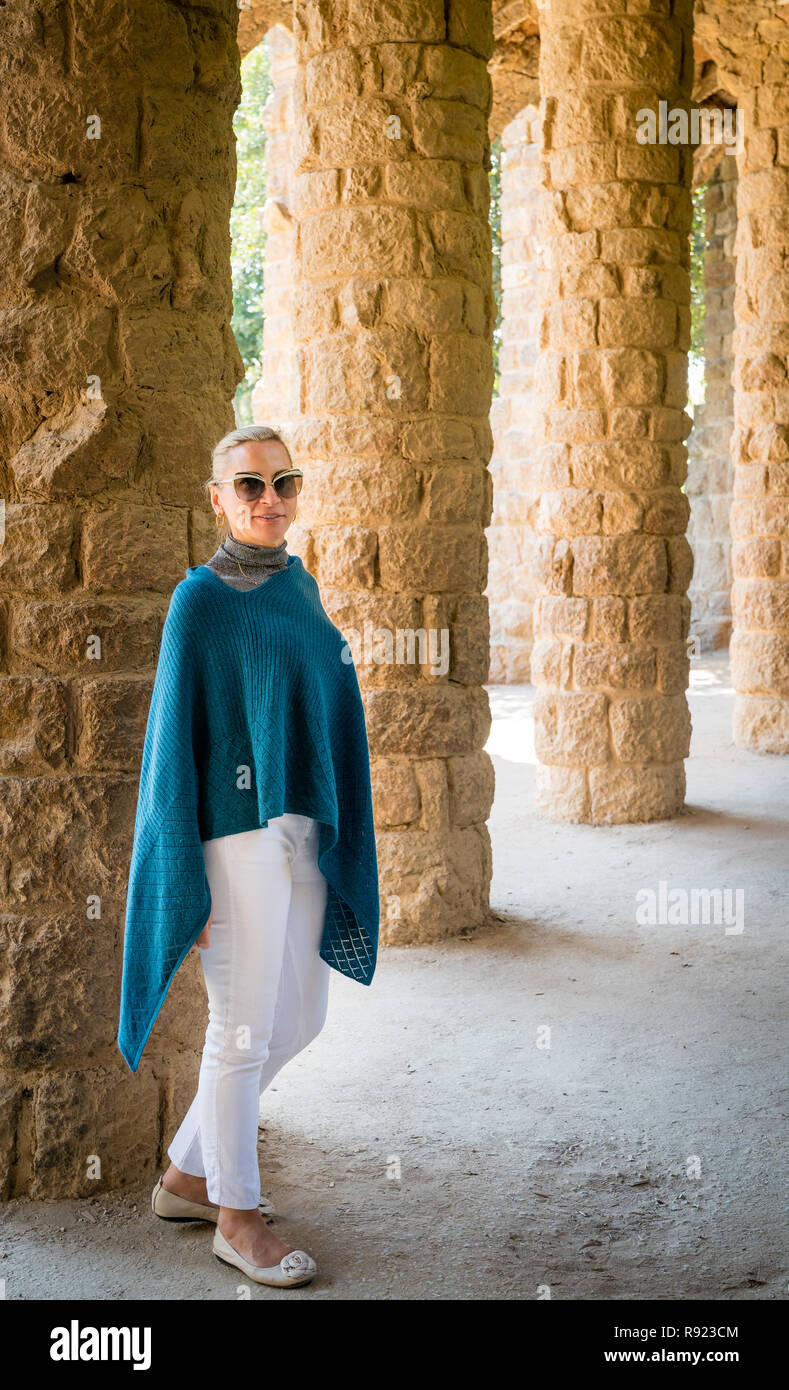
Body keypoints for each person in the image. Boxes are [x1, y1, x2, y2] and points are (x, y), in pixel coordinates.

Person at [117, 425, 380, 1289]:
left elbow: (323, 703)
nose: (270, 499)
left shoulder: (298, 588)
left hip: (302, 823)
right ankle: (236, 1215)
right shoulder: (200, 600)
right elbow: (170, 749)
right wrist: (182, 876)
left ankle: (189, 1172)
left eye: (284, 482)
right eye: (250, 486)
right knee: (240, 1027)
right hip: (234, 835)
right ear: (218, 500)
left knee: (302, 1017)